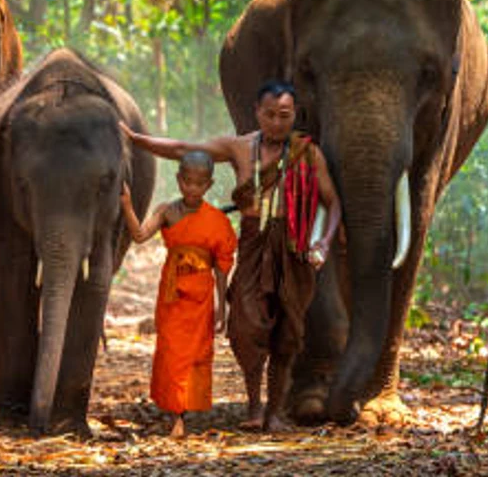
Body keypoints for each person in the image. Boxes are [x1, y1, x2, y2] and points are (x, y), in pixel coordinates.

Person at [122, 80, 342, 431]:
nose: (276, 123)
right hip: (253, 248)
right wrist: (138, 140)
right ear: (257, 113)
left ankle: (274, 413)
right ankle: (254, 407)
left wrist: (324, 243)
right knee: (244, 327)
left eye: (284, 115)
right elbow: (184, 149)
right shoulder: (240, 148)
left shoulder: (307, 153)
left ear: (295, 115)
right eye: (269, 115)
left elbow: (333, 204)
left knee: (288, 332)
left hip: (292, 251)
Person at [119, 150, 237, 439]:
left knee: (195, 354)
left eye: (199, 183)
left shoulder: (216, 221)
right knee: (172, 353)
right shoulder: (166, 211)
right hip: (173, 297)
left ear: (209, 185)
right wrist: (127, 205)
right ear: (178, 179)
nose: (192, 188)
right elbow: (139, 235)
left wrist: (223, 307)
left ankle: (183, 412)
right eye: (187, 182)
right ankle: (175, 413)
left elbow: (222, 267)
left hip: (201, 298)